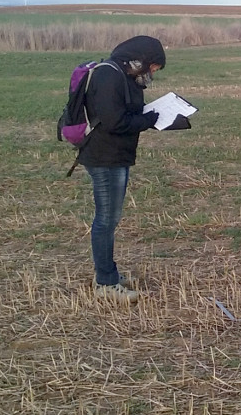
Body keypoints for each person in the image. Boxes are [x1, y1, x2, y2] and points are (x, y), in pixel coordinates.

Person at [78, 35, 164, 303]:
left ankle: (109, 274)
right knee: (106, 220)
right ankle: (105, 283)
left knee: (109, 219)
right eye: (151, 68)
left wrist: (146, 116)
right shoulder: (109, 76)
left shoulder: (124, 76)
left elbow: (123, 113)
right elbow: (114, 121)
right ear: (140, 59)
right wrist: (147, 120)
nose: (151, 74)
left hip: (116, 155)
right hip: (104, 157)